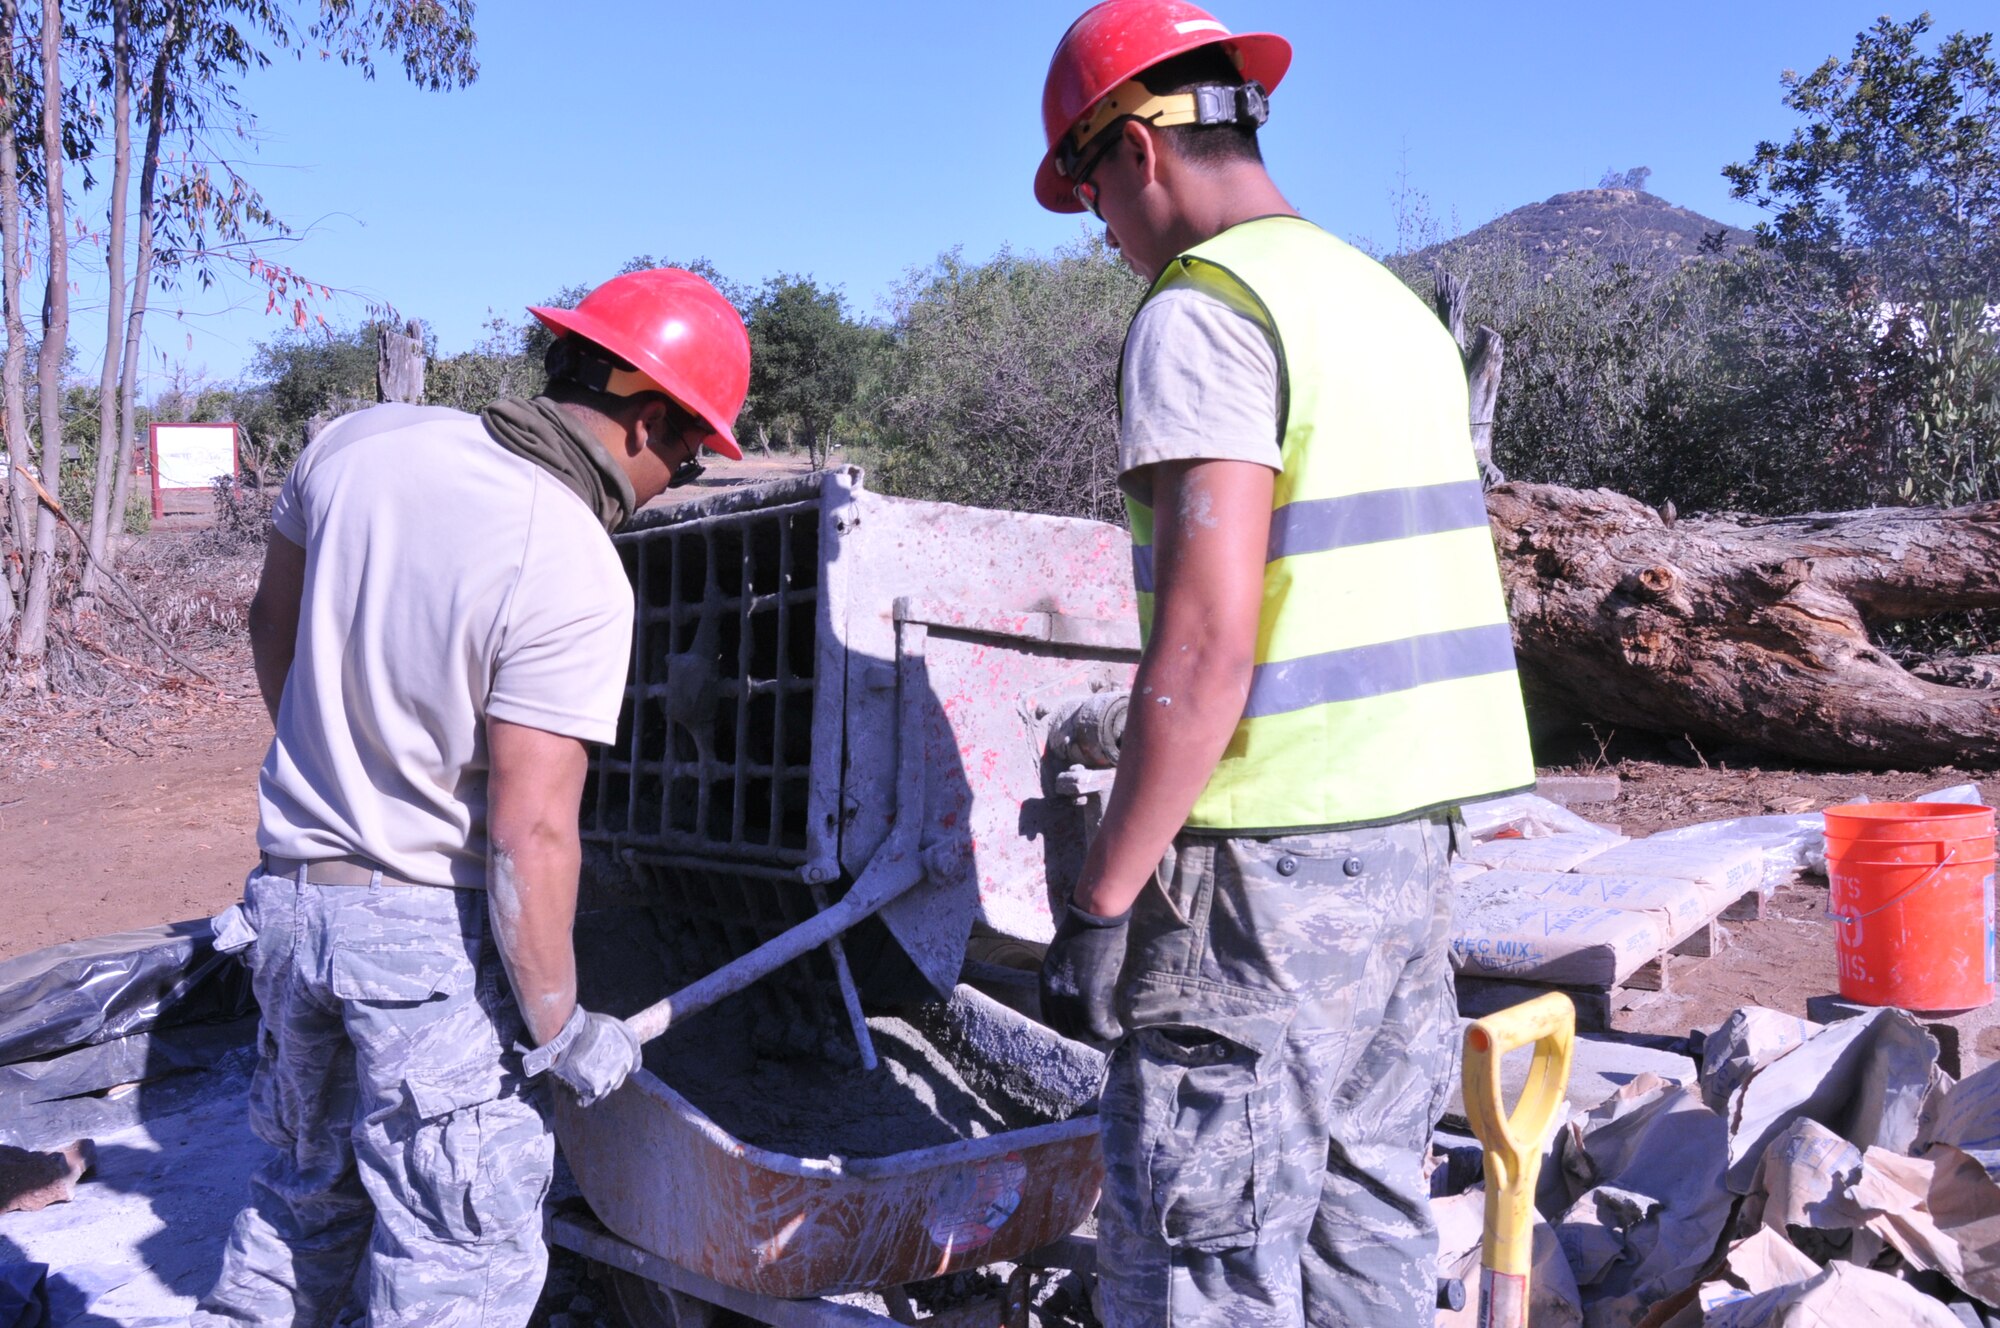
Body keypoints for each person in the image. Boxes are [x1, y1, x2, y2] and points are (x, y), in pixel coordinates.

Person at [1028, 4, 1537, 1325]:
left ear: (1138, 151)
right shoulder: (1387, 307)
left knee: (1198, 1256)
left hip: (1260, 877)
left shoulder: (1204, 314)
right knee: (1360, 1227)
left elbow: (1202, 650)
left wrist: (1101, 900)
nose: (1104, 232)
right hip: (1413, 852)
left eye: (1092, 196)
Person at [192, 268, 751, 1328]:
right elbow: (531, 833)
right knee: (457, 1261)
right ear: (643, 415)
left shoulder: (356, 443)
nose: (677, 477)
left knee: (295, 1214)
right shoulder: (570, 561)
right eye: (686, 448)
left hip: (287, 908)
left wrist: (345, 765)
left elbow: (273, 625)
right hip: (420, 949)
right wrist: (559, 1027)